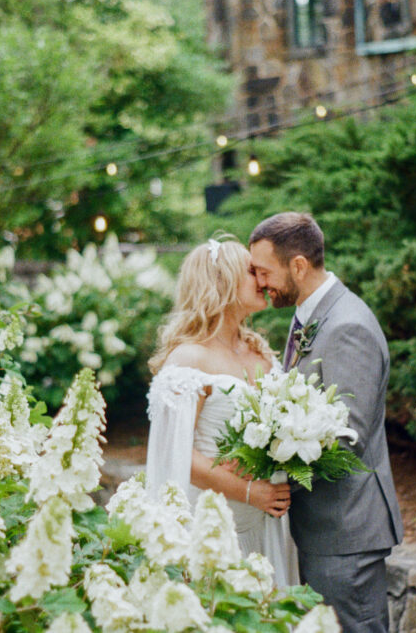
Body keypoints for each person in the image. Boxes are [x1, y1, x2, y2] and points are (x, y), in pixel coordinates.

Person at [249, 212, 403, 633]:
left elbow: (346, 437)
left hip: (345, 531)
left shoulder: (348, 325)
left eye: (264, 272)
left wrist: (272, 455)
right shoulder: (308, 317)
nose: (260, 283)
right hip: (324, 529)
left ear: (298, 265)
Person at [144, 235, 299, 587]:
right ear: (222, 282)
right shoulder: (189, 359)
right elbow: (176, 454)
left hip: (268, 523)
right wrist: (249, 492)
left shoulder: (262, 355)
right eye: (250, 271)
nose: (262, 279)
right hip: (213, 525)